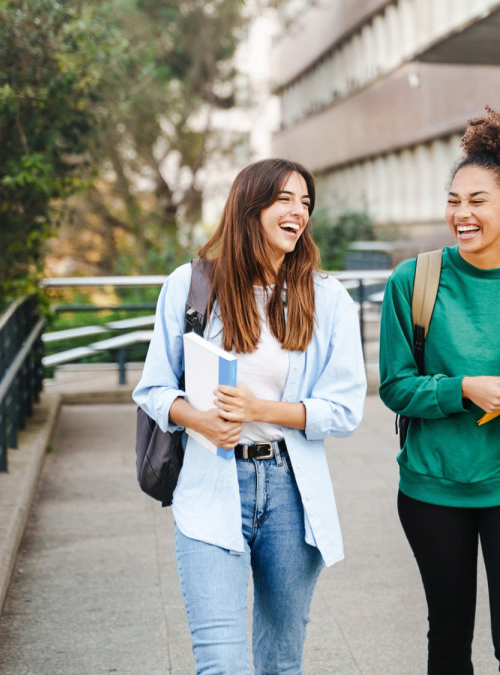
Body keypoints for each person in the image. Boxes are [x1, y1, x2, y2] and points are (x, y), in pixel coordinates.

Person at [133, 158, 366, 674]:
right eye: (284, 199)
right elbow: (152, 389)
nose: (298, 211)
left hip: (291, 492)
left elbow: (346, 409)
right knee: (221, 664)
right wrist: (198, 419)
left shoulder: (327, 298)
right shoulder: (191, 285)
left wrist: (262, 410)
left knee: (281, 663)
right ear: (249, 206)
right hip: (211, 484)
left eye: (305, 202)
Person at [378, 107, 500, 674]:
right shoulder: (413, 281)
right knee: (448, 640)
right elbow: (395, 387)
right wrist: (464, 389)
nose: (461, 214)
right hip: (433, 487)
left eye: (477, 201)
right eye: (454, 200)